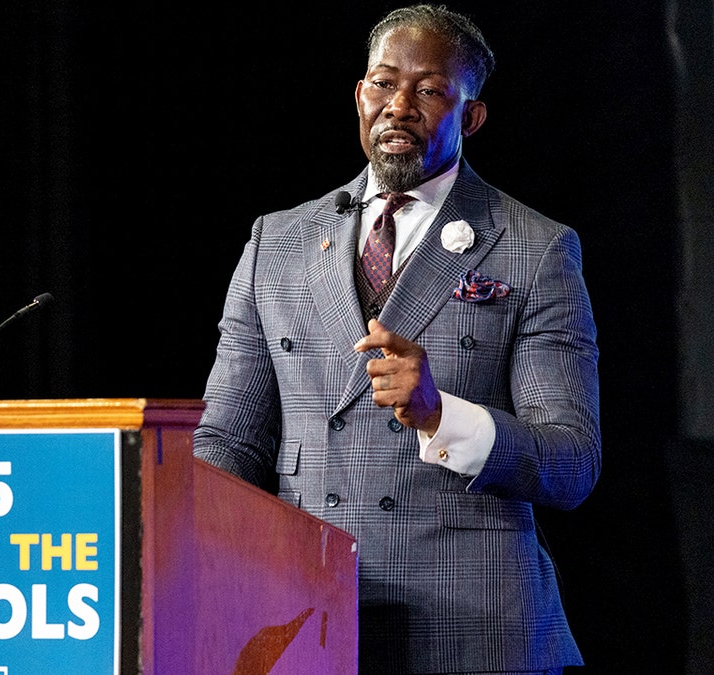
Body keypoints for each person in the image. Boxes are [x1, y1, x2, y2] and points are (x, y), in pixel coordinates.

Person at [193, 5, 600, 674]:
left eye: (431, 89)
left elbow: (571, 461)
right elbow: (228, 440)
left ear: (471, 117)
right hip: (306, 612)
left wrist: (443, 415)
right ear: (359, 95)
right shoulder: (277, 242)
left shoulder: (535, 248)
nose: (399, 106)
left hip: (471, 624)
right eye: (383, 83)